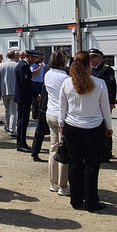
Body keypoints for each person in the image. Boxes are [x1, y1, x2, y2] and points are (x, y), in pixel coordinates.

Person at [59, 51, 112, 212]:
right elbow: (105, 109)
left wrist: (61, 124)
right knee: (92, 165)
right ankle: (91, 201)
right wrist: (109, 127)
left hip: (72, 127)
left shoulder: (67, 83)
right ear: (90, 65)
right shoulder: (100, 83)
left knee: (75, 164)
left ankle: (75, 199)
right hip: (94, 128)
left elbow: (62, 108)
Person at [43, 50, 70, 195]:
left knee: (53, 148)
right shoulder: (64, 77)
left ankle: (53, 182)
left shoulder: (47, 74)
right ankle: (63, 185)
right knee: (64, 150)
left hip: (50, 113)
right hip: (61, 116)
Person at [89, 48, 116, 162]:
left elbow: (111, 87)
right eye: (90, 57)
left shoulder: (106, 70)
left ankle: (106, 153)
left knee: (105, 127)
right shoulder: (90, 70)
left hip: (104, 103)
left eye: (94, 57)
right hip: (94, 104)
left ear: (100, 57)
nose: (92, 59)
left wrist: (111, 102)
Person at [14, 50, 36, 152]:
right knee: (22, 121)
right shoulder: (23, 66)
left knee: (23, 121)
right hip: (23, 97)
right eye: (34, 58)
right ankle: (20, 143)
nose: (35, 60)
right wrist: (36, 95)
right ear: (29, 57)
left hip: (23, 97)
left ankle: (22, 142)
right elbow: (26, 83)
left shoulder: (22, 65)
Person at [0, 50, 19, 137]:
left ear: (6, 56)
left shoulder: (0, 66)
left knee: (6, 110)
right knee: (13, 111)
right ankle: (12, 130)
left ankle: (7, 126)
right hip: (15, 91)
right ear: (14, 56)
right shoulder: (17, 66)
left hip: (4, 91)